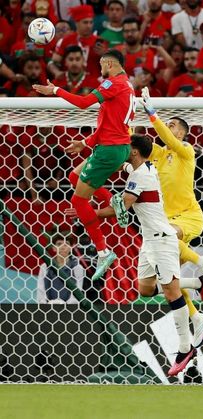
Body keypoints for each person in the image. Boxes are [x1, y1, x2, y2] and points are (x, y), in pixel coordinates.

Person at [96, 134, 200, 376]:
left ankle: (185, 348)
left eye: (126, 148)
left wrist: (88, 212)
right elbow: (122, 163)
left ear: (133, 152)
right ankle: (198, 282)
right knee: (145, 289)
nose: (123, 151)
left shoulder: (141, 175)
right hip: (148, 241)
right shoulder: (143, 166)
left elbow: (121, 206)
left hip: (162, 239)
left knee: (172, 293)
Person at [32, 49, 136, 281]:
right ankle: (113, 202)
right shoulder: (127, 87)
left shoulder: (113, 83)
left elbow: (83, 103)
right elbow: (111, 123)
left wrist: (56, 90)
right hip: (114, 147)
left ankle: (102, 251)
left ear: (110, 63)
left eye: (101, 65)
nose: (100, 70)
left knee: (78, 200)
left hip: (109, 151)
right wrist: (85, 143)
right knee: (73, 177)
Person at [139, 86, 203, 345]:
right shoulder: (159, 155)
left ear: (181, 131)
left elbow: (169, 140)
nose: (166, 128)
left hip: (188, 218)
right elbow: (136, 145)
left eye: (171, 125)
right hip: (163, 223)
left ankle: (201, 261)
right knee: (154, 285)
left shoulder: (186, 150)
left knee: (168, 239)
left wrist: (152, 115)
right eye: (165, 124)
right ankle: (196, 313)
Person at [37, 234, 85, 303]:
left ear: (71, 248)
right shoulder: (45, 266)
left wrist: (65, 305)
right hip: (48, 308)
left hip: (71, 309)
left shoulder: (77, 267)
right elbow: (40, 290)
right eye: (59, 244)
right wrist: (48, 303)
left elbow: (78, 292)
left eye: (66, 244)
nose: (63, 247)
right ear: (53, 248)